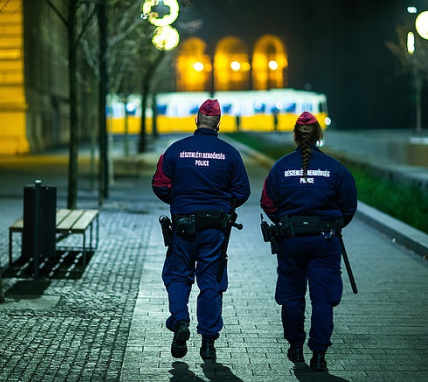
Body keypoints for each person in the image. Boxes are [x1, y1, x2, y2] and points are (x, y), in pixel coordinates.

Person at [152, 99, 251, 361]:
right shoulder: (230, 154)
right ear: (219, 123)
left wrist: (179, 200)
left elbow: (160, 184)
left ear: (196, 120)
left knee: (177, 275)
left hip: (184, 225)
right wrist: (222, 204)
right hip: (215, 228)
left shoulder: (175, 150)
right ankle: (208, 342)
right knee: (211, 281)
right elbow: (242, 192)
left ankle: (180, 320)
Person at [260, 111, 357, 372]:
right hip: (325, 241)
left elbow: (268, 202)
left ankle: (294, 345)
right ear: (318, 136)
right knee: (323, 298)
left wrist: (286, 221)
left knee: (291, 296)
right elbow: (348, 206)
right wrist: (332, 226)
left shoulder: (280, 167)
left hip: (291, 241)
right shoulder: (336, 168)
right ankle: (319, 355)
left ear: (295, 135)